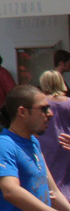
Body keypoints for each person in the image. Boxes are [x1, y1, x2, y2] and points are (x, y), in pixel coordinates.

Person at [37, 70, 70, 202]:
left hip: (45, 144)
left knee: (48, 178)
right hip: (66, 143)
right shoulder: (68, 103)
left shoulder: (40, 104)